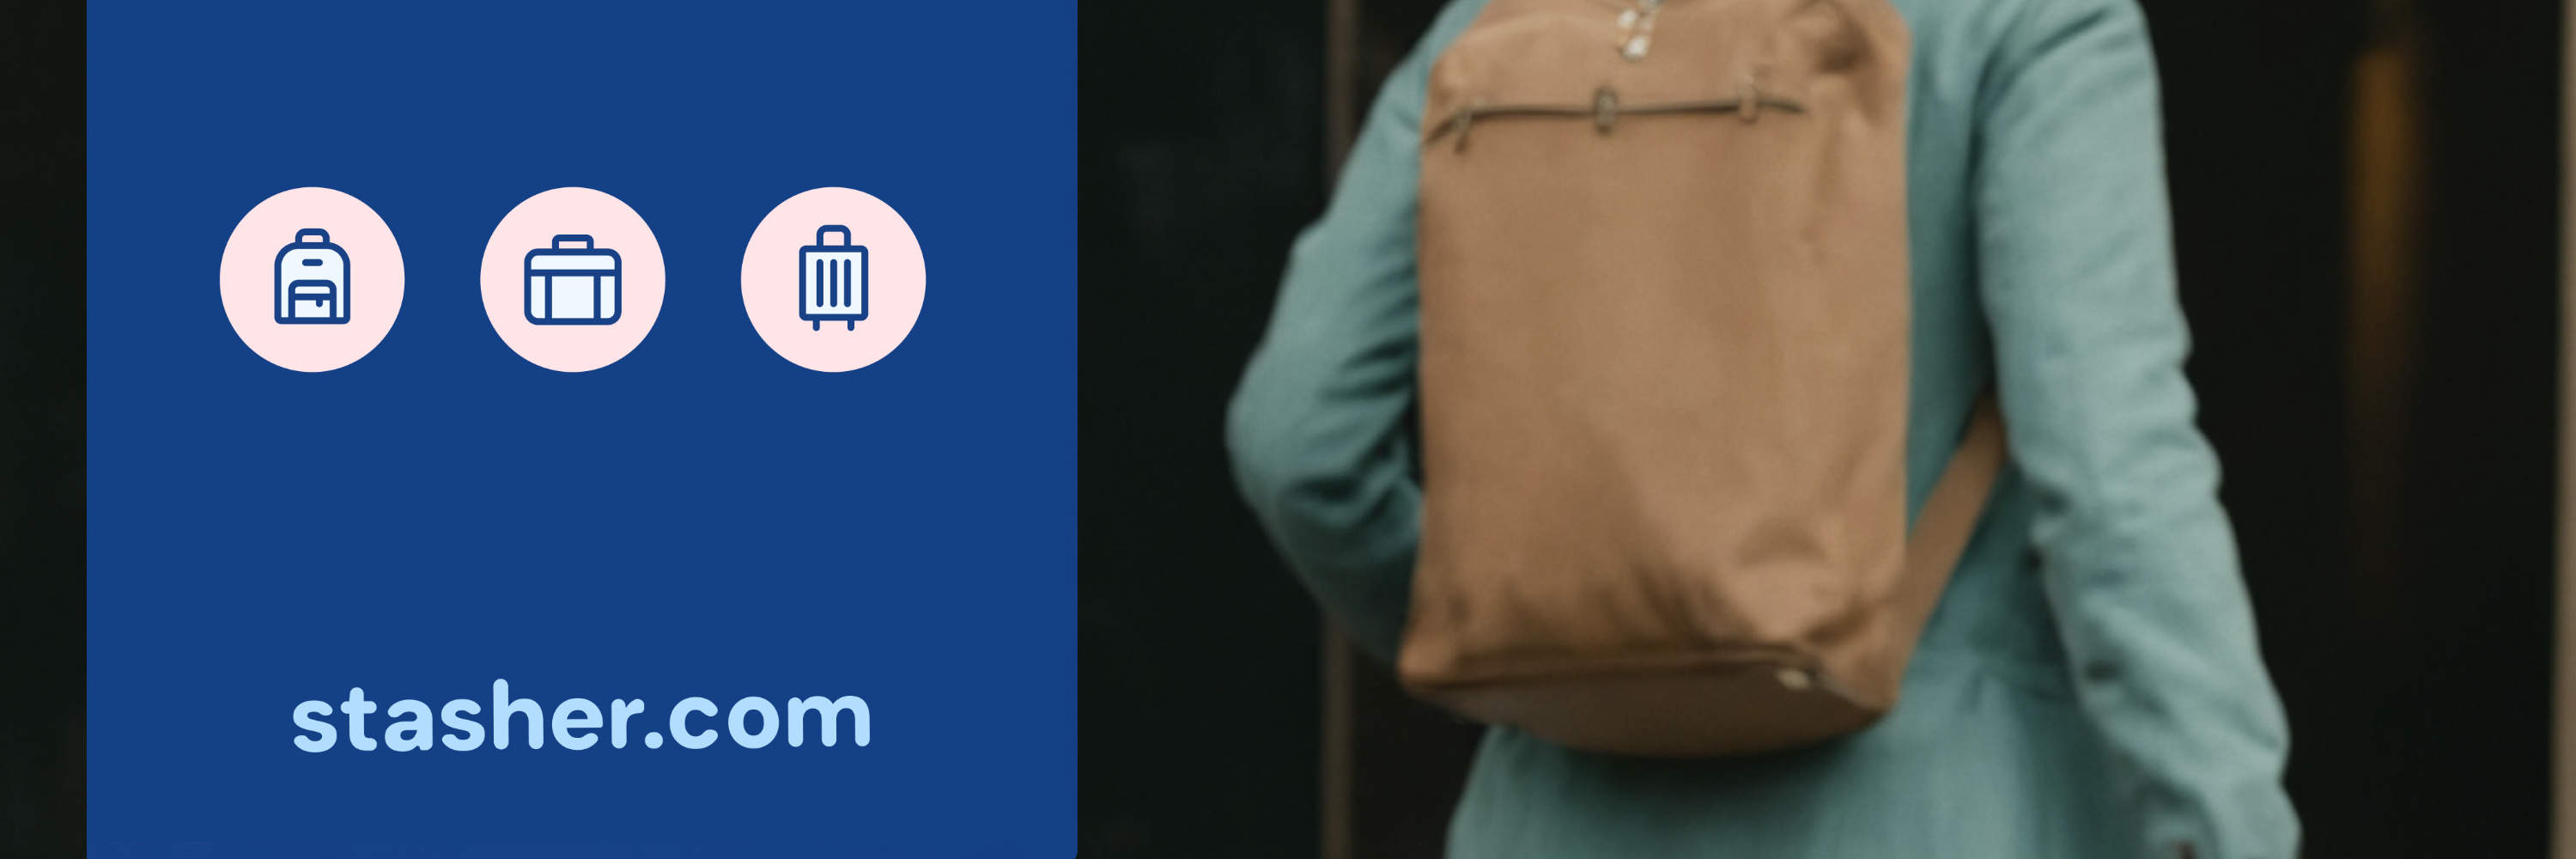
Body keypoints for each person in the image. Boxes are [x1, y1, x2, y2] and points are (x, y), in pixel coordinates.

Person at [1225, 0, 2300, 856]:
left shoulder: (1496, 27)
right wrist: (2232, 825)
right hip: (1946, 807)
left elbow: (1297, 434)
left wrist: (1550, 632)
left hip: (1553, 815)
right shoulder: (2028, 19)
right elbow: (2114, 479)